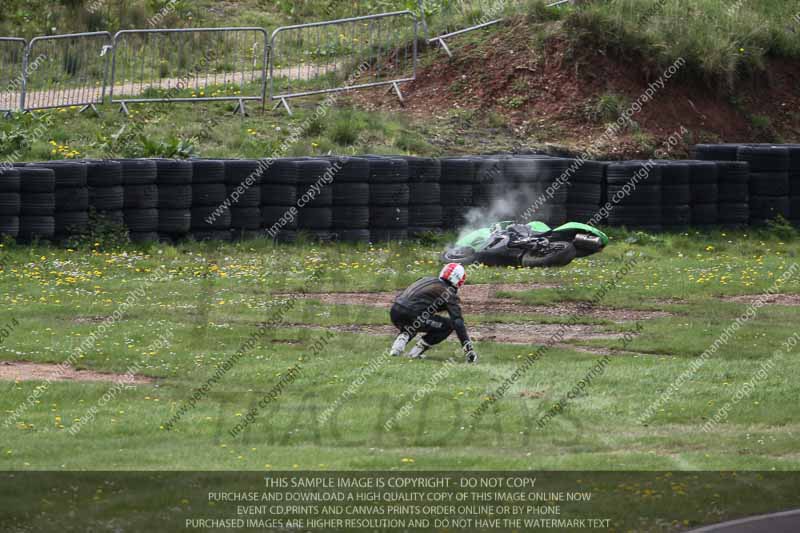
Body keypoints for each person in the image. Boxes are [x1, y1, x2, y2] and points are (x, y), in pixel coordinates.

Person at [389, 263, 478, 363]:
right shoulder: (448, 292)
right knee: (448, 325)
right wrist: (468, 349)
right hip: (414, 316)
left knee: (418, 317)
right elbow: (458, 322)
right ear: (458, 280)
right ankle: (415, 353)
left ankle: (402, 339)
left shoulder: (425, 279)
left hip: (395, 311)